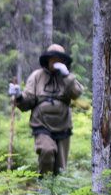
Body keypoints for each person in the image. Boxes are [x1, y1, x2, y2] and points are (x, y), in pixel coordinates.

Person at [8, 43, 83, 174]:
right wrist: (19, 95)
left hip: (63, 125)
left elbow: (76, 93)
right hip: (41, 124)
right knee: (46, 151)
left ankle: (57, 187)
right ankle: (44, 183)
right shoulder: (37, 76)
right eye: (53, 59)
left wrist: (67, 76)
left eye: (59, 60)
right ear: (47, 60)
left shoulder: (67, 78)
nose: (55, 62)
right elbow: (28, 102)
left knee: (61, 167)